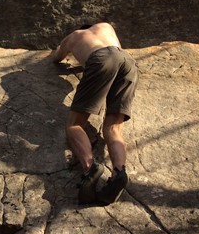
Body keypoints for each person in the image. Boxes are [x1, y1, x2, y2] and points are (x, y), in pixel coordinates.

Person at [52, 22, 138, 205]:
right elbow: (114, 55)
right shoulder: (106, 26)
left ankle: (89, 169)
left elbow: (57, 58)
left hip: (100, 60)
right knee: (114, 127)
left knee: (75, 124)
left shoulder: (73, 36)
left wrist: (69, 55)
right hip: (127, 61)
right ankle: (119, 172)